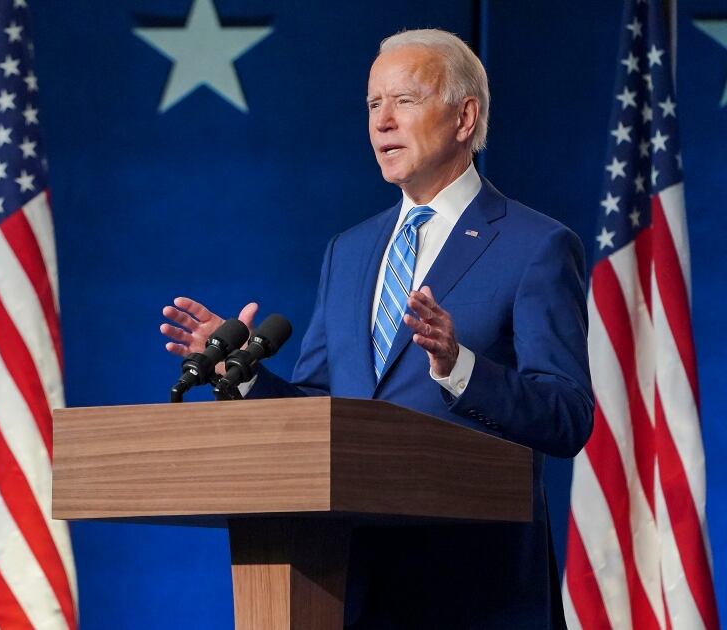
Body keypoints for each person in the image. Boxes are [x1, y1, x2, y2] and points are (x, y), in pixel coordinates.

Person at [161, 29, 593, 628]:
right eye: (372, 105)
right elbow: (321, 405)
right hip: (344, 583)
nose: (382, 122)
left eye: (405, 101)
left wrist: (459, 368)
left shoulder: (536, 245)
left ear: (465, 116)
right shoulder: (350, 249)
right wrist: (245, 377)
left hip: (474, 587)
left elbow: (568, 415)